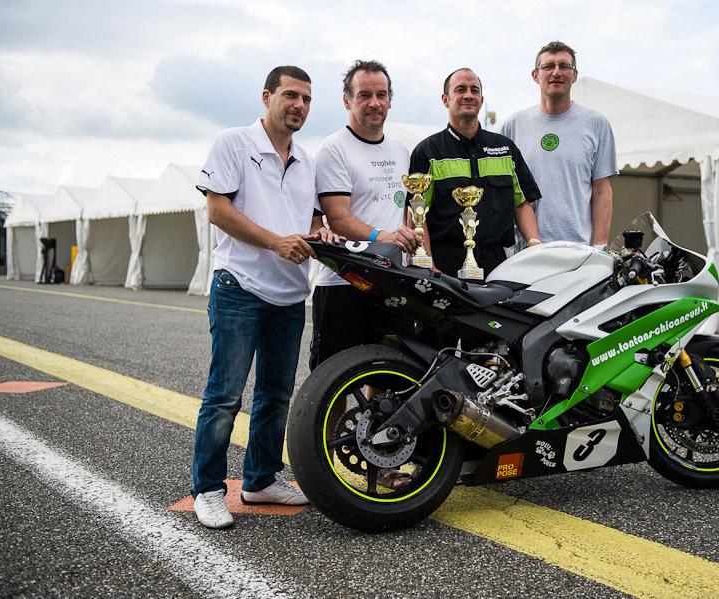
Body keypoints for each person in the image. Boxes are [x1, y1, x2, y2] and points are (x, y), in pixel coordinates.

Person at [191, 65, 338, 529]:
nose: (299, 105)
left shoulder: (307, 160)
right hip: (239, 285)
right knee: (225, 396)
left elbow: (312, 219)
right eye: (290, 95)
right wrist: (276, 242)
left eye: (306, 99)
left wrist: (320, 233)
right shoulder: (234, 142)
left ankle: (260, 479)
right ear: (267, 96)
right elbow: (217, 210)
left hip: (290, 294)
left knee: (275, 396)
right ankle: (208, 489)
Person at [310, 60, 420, 491]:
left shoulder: (402, 152)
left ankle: (383, 464)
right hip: (343, 282)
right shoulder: (334, 149)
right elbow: (337, 216)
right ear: (347, 100)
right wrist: (382, 237)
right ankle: (319, 470)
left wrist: (419, 253)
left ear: (390, 100)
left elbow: (410, 214)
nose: (374, 103)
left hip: (391, 282)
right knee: (332, 382)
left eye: (381, 95)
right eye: (364, 95)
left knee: (387, 378)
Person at [409, 68, 542, 277]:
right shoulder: (428, 152)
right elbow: (417, 214)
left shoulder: (505, 148)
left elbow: (522, 203)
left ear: (481, 99)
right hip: (445, 264)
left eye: (474, 90)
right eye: (460, 89)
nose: (469, 95)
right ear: (445, 99)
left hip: (498, 262)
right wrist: (428, 264)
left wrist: (534, 244)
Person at [500, 41, 618, 247]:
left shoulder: (596, 123)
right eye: (548, 66)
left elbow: (601, 191)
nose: (556, 72)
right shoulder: (513, 126)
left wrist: (600, 245)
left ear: (575, 75)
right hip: (524, 251)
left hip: (576, 250)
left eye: (564, 66)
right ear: (535, 75)